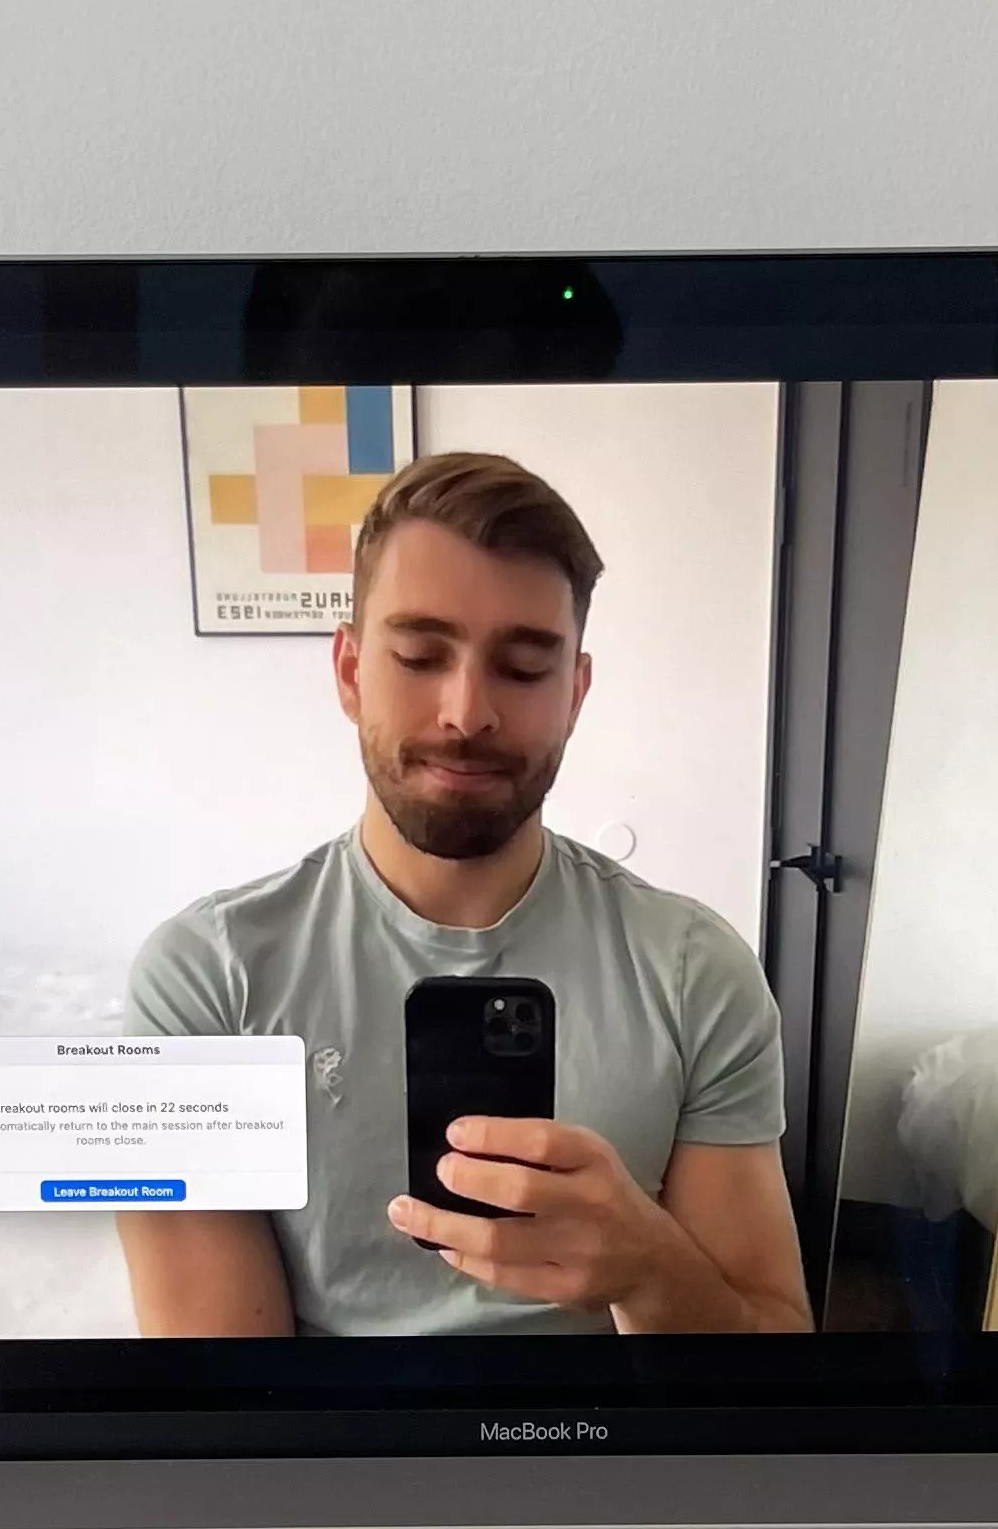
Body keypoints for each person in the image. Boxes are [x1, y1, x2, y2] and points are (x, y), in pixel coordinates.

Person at [118, 449, 812, 1339]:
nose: (466, 712)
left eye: (523, 670)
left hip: (619, 1462)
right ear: (349, 670)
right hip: (337, 1472)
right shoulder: (207, 981)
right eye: (419, 656)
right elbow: (220, 1403)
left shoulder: (693, 972)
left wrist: (648, 1268)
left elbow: (775, 1356)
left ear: (575, 695)